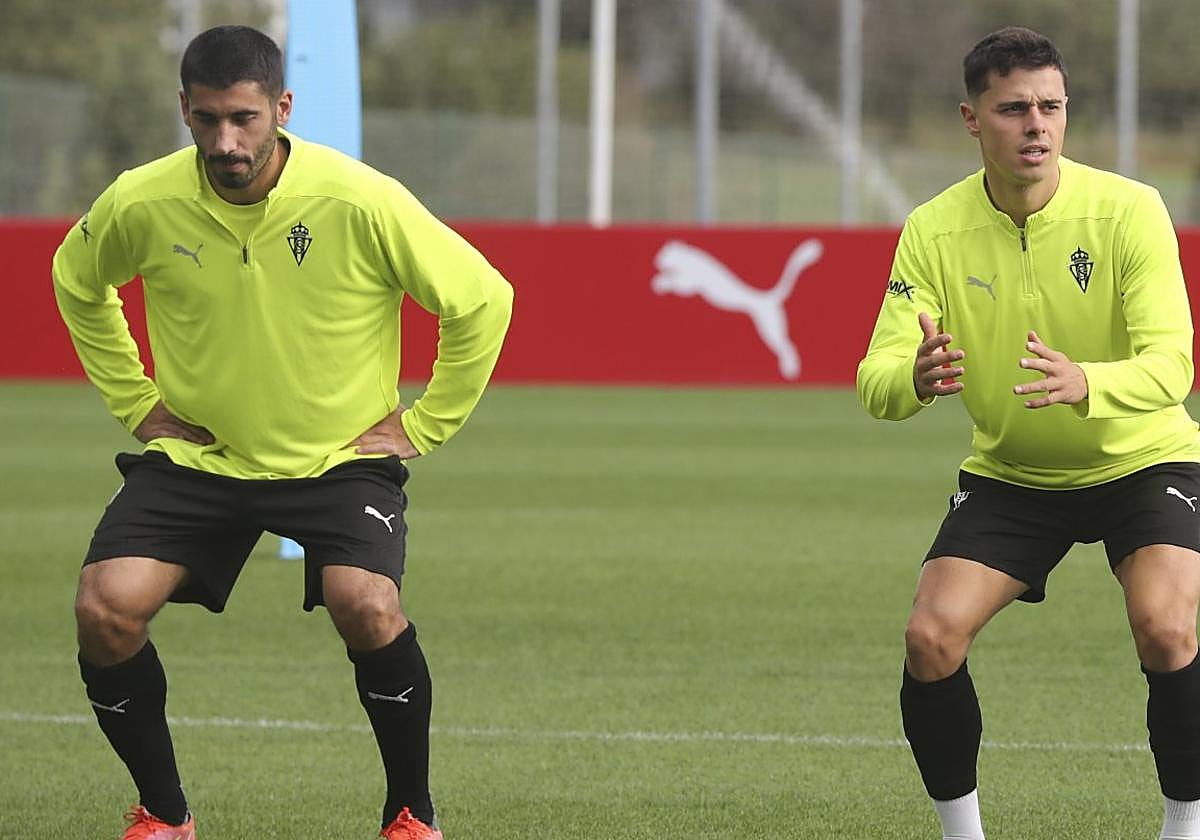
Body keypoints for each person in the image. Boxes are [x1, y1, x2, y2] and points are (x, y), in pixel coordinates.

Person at [52, 25, 513, 840]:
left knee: (366, 604)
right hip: (201, 456)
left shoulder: (358, 198)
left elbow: (481, 297)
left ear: (282, 108)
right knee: (104, 608)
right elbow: (76, 279)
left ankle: (411, 813)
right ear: (184, 111)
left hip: (337, 461)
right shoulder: (141, 200)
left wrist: (424, 424)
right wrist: (135, 400)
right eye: (206, 121)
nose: (225, 142)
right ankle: (164, 815)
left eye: (244, 119)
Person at [858, 26, 1200, 840]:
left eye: (1052, 106)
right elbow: (876, 374)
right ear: (973, 120)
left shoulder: (1129, 210)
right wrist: (913, 377)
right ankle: (962, 834)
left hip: (1142, 460)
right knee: (929, 636)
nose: (1037, 125)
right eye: (1014, 109)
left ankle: (1185, 826)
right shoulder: (933, 230)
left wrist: (1092, 383)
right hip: (1015, 473)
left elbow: (1175, 363)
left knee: (1167, 625)